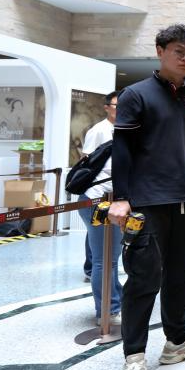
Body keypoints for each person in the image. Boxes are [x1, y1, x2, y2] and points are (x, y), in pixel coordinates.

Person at [110, 24, 185, 370]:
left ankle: (177, 342)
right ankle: (134, 358)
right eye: (179, 51)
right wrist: (121, 197)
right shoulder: (136, 95)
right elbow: (122, 148)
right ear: (160, 51)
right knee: (143, 280)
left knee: (180, 277)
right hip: (147, 203)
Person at [77, 91, 123, 324]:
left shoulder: (124, 129)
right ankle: (107, 311)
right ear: (107, 107)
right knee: (104, 260)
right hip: (98, 199)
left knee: (111, 258)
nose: (121, 109)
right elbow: (87, 164)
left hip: (113, 199)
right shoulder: (99, 131)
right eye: (117, 105)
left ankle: (115, 301)